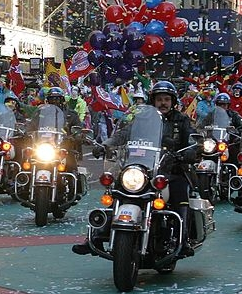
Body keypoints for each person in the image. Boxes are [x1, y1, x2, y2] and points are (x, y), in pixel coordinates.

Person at [75, 80, 196, 256]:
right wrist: (106, 145)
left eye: (166, 99)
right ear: (153, 100)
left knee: (180, 194)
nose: (163, 103)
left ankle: (183, 240)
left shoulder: (182, 120)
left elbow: (192, 142)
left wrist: (189, 152)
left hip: (172, 170)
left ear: (173, 101)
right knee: (116, 191)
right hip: (142, 168)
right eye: (159, 99)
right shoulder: (143, 118)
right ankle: (96, 236)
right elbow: (123, 134)